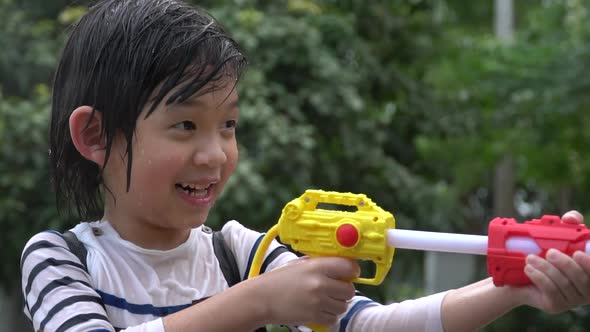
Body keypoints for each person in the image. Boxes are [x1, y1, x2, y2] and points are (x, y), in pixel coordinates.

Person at [20, 0, 590, 331]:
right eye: (185, 125)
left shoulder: (241, 251)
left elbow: (372, 326)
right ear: (94, 136)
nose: (216, 154)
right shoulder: (60, 260)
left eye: (229, 125)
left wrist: (514, 286)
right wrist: (262, 300)